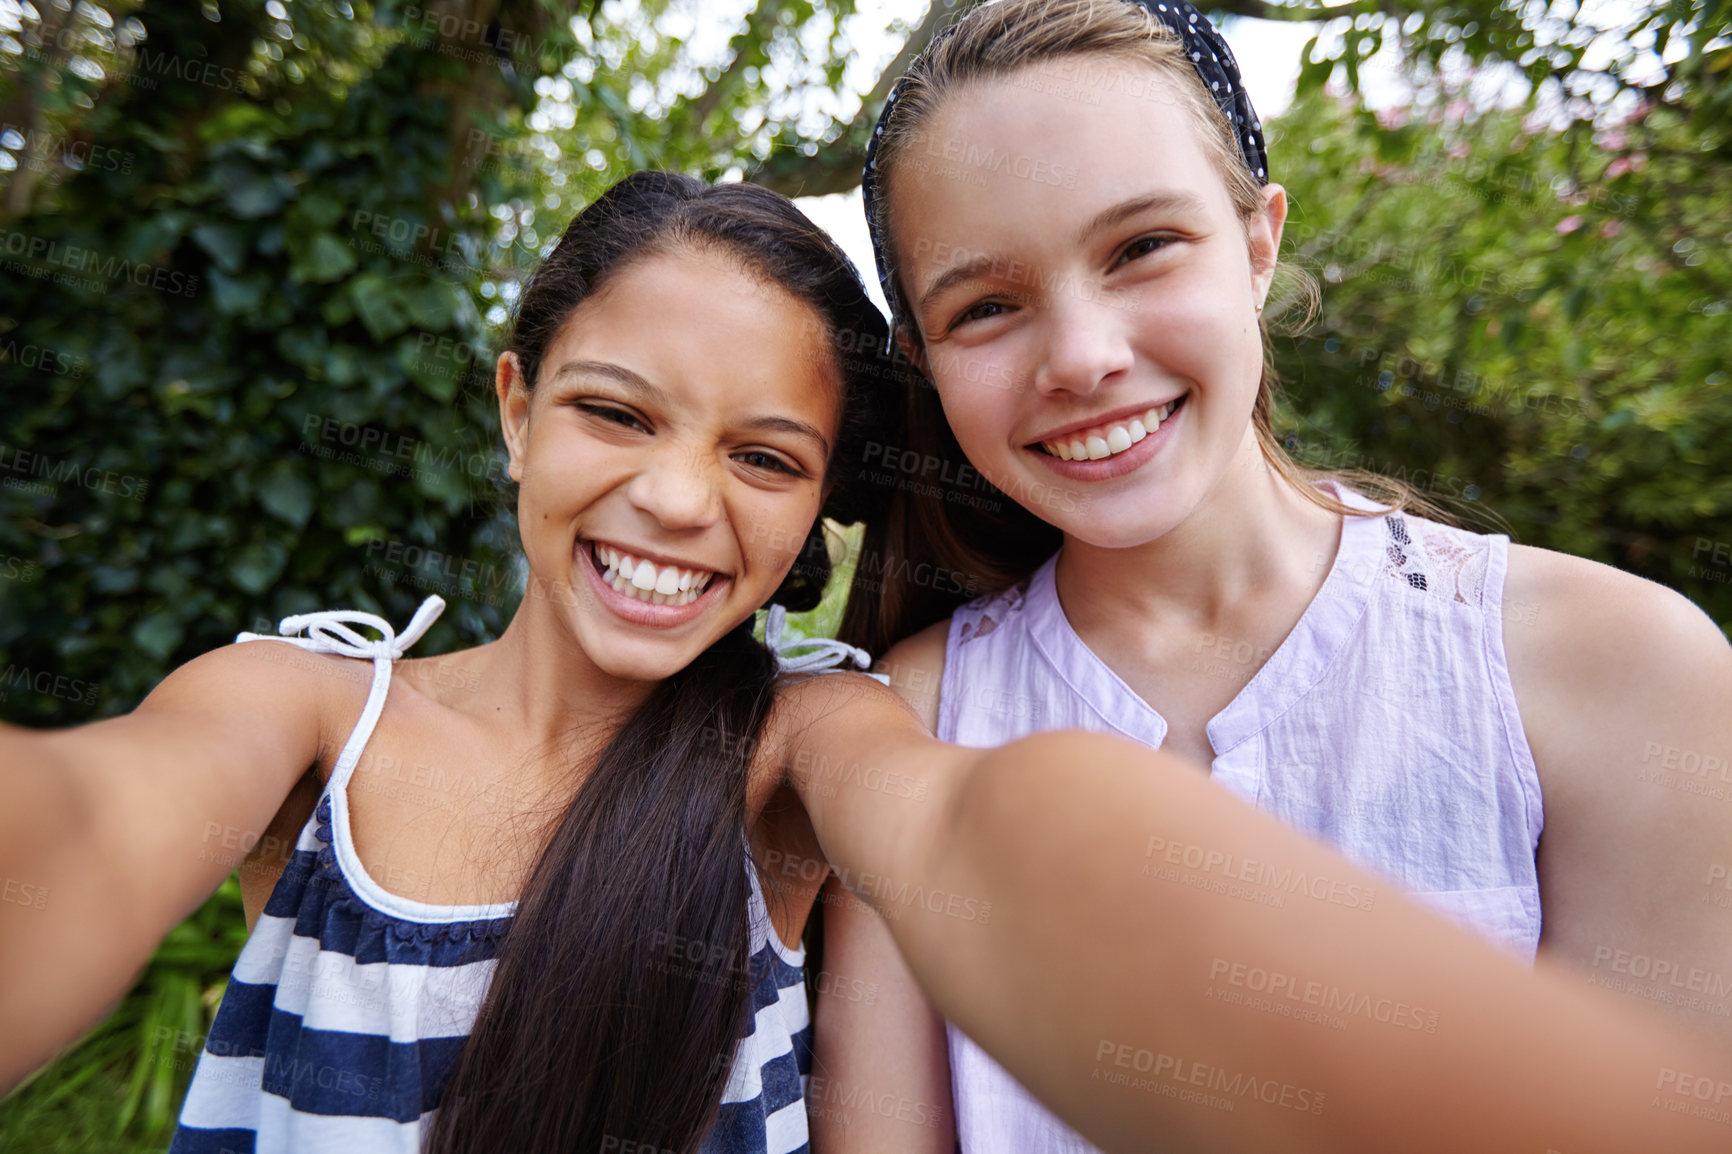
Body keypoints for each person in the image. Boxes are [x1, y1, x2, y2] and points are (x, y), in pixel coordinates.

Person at [0, 172, 1727, 1154]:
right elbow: (76, 819)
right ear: (514, 406)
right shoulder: (304, 712)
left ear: (828, 498)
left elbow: (997, 844)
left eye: (765, 456)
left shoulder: (809, 738)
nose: (675, 501)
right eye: (613, 412)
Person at [816, 0, 1732, 1149]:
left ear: (1259, 241)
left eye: (1141, 247)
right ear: (923, 360)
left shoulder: (1622, 671)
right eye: (986, 306)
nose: (1085, 356)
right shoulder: (908, 722)